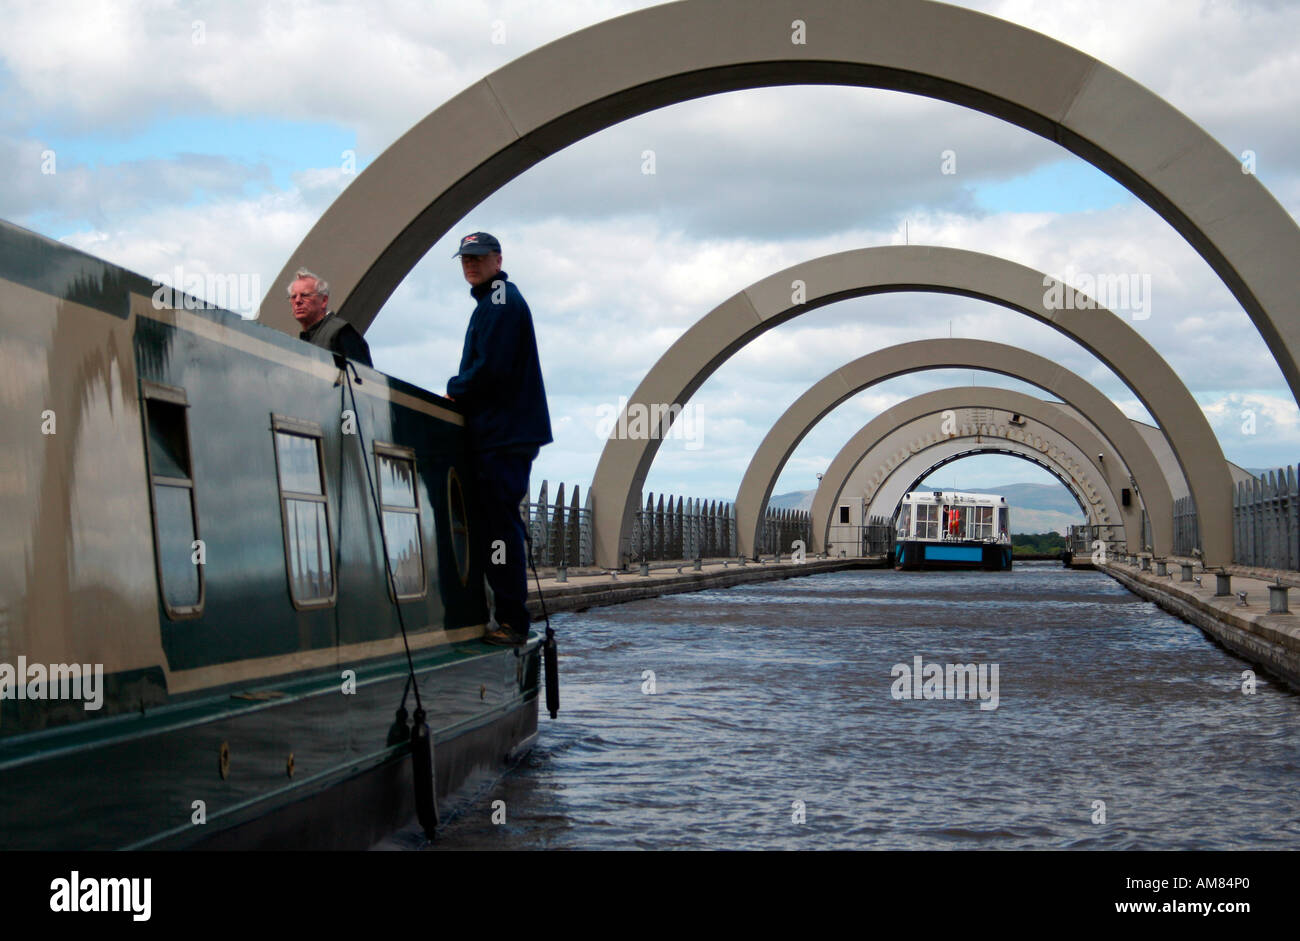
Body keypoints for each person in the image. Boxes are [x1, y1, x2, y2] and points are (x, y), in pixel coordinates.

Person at [446, 232, 552, 646]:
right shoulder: (496, 301)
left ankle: (511, 620)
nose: (470, 265)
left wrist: (455, 387)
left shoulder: (501, 302)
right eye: (465, 259)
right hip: (505, 433)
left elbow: (491, 370)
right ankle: (506, 614)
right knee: (498, 525)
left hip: (502, 435)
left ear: (497, 259)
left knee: (499, 529)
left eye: (478, 258)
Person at [288, 268, 373, 367]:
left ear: (324, 300)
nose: (297, 301)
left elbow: (363, 377)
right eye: (293, 297)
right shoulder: (302, 341)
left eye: (305, 295)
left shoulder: (341, 332)